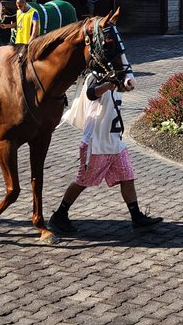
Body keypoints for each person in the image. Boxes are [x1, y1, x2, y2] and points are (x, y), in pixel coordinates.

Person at [47, 69, 162, 236]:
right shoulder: (94, 77)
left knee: (127, 176)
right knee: (83, 181)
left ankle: (137, 218)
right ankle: (59, 216)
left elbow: (125, 88)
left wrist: (126, 84)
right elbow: (91, 93)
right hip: (96, 144)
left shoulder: (115, 77)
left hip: (115, 142)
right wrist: (109, 85)